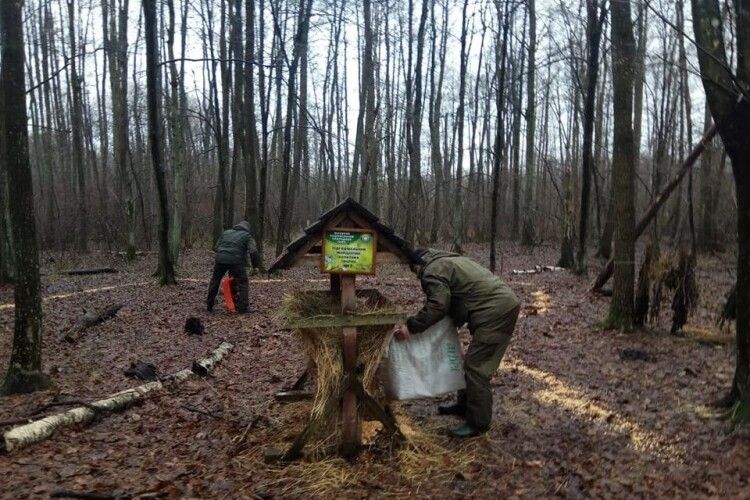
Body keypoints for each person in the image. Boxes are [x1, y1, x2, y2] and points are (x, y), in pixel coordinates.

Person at [393, 248, 521, 438]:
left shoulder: (431, 272)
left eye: (412, 269)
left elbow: (438, 306)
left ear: (415, 265)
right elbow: (456, 301)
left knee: (476, 368)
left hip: (496, 311)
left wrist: (410, 328)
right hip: (496, 305)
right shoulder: (445, 261)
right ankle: (464, 407)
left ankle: (478, 424)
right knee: (469, 362)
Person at [206, 221, 262, 313]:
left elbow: (216, 247)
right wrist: (255, 265)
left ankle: (209, 304)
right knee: (243, 282)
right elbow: (253, 251)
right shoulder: (247, 236)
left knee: (215, 280)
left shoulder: (226, 232)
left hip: (220, 259)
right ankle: (243, 307)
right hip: (236, 261)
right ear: (247, 228)